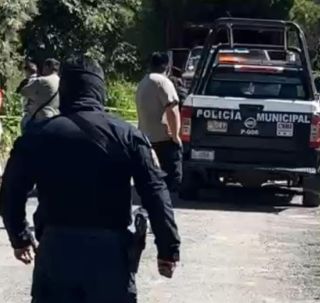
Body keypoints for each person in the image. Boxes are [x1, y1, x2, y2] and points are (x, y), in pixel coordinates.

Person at [0, 56, 181, 303]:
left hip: (56, 249)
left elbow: (11, 188)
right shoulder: (127, 136)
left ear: (65, 90)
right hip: (110, 255)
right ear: (99, 89)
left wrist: (19, 237)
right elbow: (155, 192)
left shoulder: (38, 136)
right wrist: (168, 249)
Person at [136, 52, 183, 195]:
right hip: (163, 139)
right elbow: (172, 110)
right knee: (171, 180)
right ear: (167, 66)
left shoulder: (143, 81)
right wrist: (176, 136)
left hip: (146, 136)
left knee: (152, 178)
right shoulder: (163, 82)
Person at [19, 58, 61, 132]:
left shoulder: (43, 80)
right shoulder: (61, 82)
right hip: (56, 118)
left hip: (40, 118)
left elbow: (24, 91)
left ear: (47, 67)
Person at [16, 59, 39, 132]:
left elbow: (21, 94)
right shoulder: (42, 81)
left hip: (29, 113)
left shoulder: (27, 82)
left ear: (27, 71)